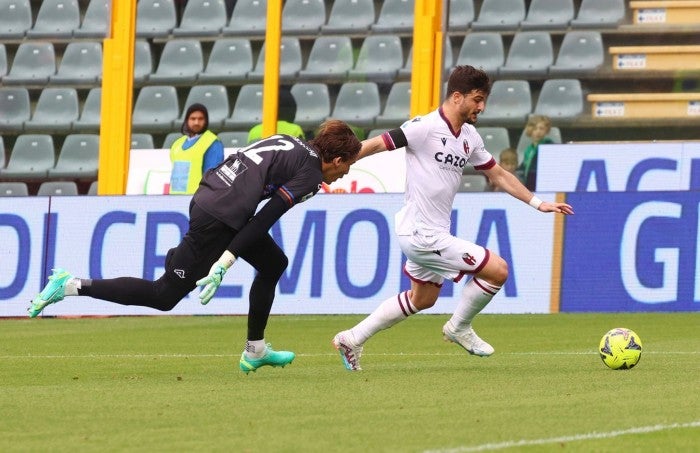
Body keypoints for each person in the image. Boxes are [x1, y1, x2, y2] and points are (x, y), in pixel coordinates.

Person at [29, 120, 362, 374]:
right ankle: (72, 286)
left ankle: (255, 349)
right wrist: (226, 261)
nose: (346, 173)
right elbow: (264, 220)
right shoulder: (309, 177)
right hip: (221, 215)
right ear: (335, 159)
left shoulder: (292, 143)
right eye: (348, 165)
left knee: (273, 263)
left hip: (211, 195)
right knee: (164, 295)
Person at [332, 65, 574, 371]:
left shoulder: (469, 136)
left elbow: (497, 174)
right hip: (422, 234)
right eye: (477, 99)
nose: (482, 107)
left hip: (428, 232)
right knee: (498, 271)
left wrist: (538, 203)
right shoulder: (424, 127)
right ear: (457, 96)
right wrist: (339, 165)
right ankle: (459, 327)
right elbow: (378, 143)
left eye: (484, 100)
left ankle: (351, 338)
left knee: (423, 299)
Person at [170, 103, 225, 195]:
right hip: (174, 197)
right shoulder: (177, 144)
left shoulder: (212, 142)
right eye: (193, 118)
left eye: (200, 119)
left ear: (206, 121)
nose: (196, 122)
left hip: (198, 199)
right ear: (186, 120)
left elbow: (213, 178)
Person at [516, 114, 554, 191]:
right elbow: (523, 168)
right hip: (529, 185)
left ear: (547, 130)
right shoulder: (529, 149)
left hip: (542, 185)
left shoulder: (549, 145)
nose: (538, 132)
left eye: (541, 128)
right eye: (535, 129)